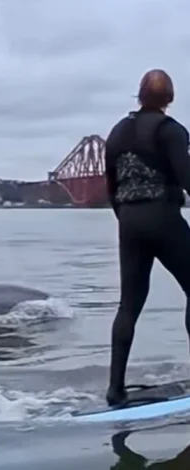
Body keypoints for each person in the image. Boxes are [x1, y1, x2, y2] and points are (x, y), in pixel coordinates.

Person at [103, 69, 190, 406]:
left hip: (128, 220)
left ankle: (115, 390)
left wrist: (126, 218)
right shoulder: (171, 132)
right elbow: (186, 179)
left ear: (139, 95)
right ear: (169, 98)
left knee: (129, 304)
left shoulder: (117, 133)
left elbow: (111, 186)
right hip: (163, 216)